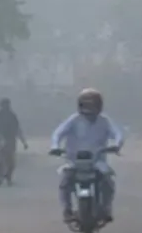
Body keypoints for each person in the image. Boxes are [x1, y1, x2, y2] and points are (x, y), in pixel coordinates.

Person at [50, 89, 125, 223]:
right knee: (65, 183)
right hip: (74, 160)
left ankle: (106, 208)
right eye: (86, 105)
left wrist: (117, 144)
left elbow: (117, 133)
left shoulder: (104, 121)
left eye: (92, 105)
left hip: (97, 161)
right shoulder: (74, 120)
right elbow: (58, 133)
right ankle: (67, 210)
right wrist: (55, 146)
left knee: (108, 183)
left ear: (99, 106)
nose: (89, 109)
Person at [0, 98, 29, 186]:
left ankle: (6, 177)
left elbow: (17, 129)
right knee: (0, 161)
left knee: (8, 162)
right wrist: (23, 142)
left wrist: (24, 142)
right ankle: (1, 177)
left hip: (7, 140)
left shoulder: (10, 116)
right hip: (3, 140)